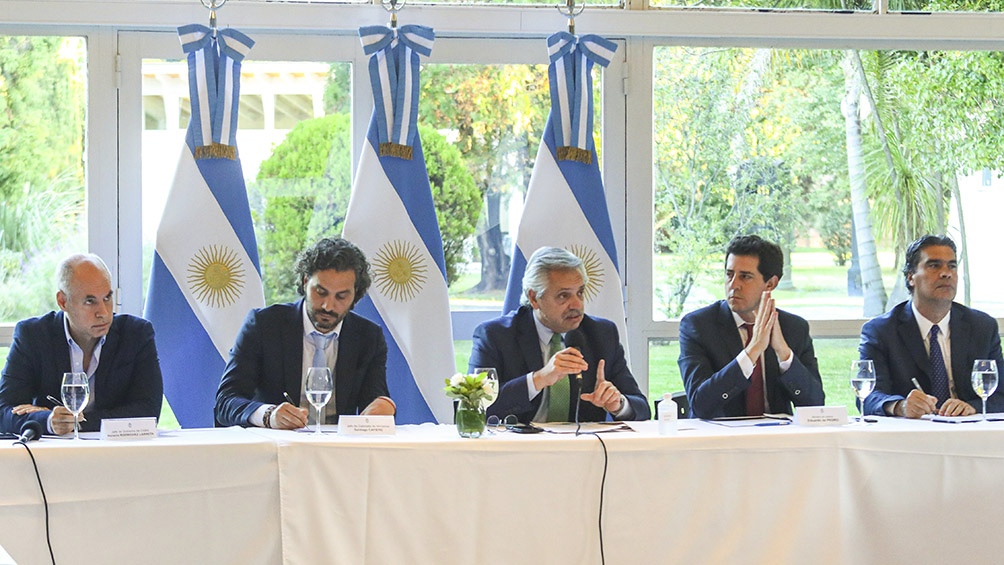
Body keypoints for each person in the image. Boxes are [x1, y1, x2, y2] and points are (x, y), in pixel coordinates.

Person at [215, 237, 395, 429]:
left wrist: (384, 406)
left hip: (339, 445)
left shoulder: (368, 337)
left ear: (355, 294)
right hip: (276, 443)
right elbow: (226, 402)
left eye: (341, 297)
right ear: (305, 281)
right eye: (321, 292)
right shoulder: (264, 325)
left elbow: (374, 402)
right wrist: (268, 415)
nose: (328, 306)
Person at [468, 247, 649, 424]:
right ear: (534, 298)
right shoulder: (494, 336)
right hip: (519, 443)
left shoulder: (601, 334)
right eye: (563, 296)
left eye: (580, 292)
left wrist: (618, 404)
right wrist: (538, 379)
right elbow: (474, 407)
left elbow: (642, 409)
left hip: (583, 443)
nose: (577, 304)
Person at [0, 254, 163, 435]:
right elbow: (4, 412)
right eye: (90, 301)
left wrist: (73, 422)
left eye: (107, 298)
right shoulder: (33, 336)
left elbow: (148, 413)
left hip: (117, 449)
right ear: (63, 301)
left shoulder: (136, 334)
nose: (103, 312)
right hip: (55, 451)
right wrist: (48, 420)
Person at [679, 235, 824, 419]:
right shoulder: (699, 326)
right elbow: (700, 404)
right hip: (721, 434)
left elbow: (815, 405)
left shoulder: (794, 328)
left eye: (745, 277)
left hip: (777, 434)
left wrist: (784, 353)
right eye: (729, 274)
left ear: (770, 284)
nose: (733, 285)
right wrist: (753, 350)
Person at [861, 235, 1004, 418]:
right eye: (934, 266)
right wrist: (900, 406)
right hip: (912, 431)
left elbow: (1000, 393)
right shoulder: (881, 331)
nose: (946, 273)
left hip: (968, 428)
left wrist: (972, 407)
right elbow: (868, 395)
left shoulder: (982, 327)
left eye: (952, 266)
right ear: (911, 277)